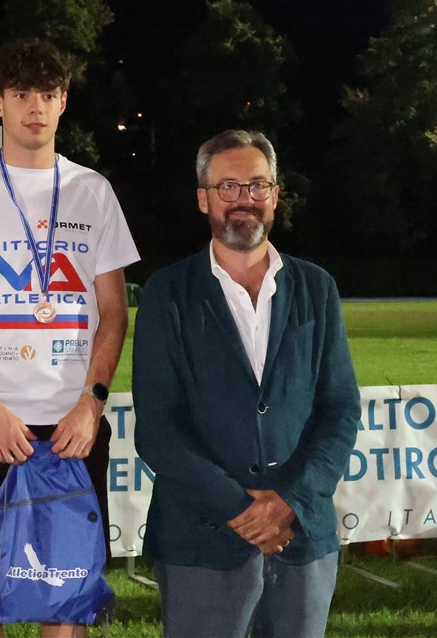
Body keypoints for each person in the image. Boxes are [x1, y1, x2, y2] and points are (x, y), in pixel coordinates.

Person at [0, 38, 140, 638]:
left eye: (47, 94)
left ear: (64, 102)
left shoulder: (93, 192)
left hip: (73, 424)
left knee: (68, 594)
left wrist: (91, 403)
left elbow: (114, 312)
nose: (35, 107)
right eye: (20, 94)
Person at [132, 129, 360, 638]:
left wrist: (289, 501)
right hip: (201, 539)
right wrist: (241, 510)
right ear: (203, 199)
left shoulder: (316, 288)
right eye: (228, 187)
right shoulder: (168, 293)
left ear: (275, 195)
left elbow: (340, 409)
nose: (244, 199)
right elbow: (158, 429)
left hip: (301, 536)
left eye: (257, 185)